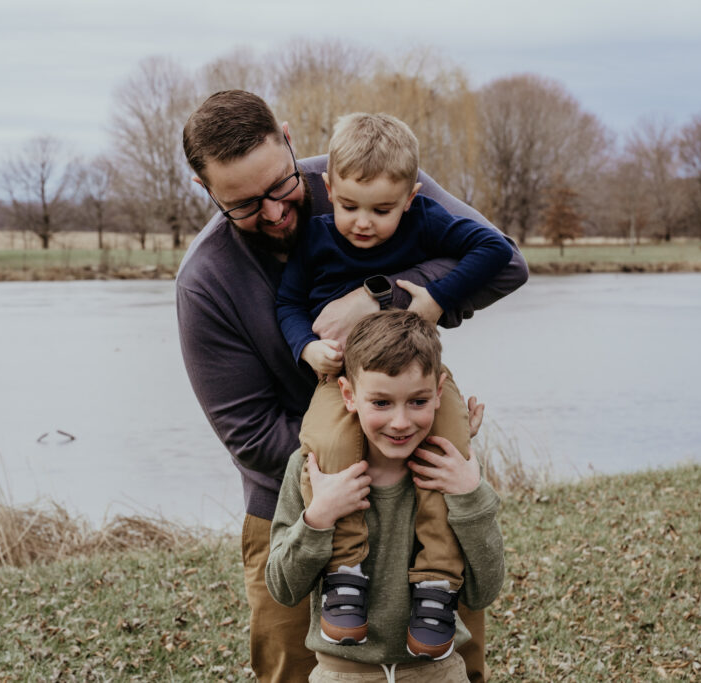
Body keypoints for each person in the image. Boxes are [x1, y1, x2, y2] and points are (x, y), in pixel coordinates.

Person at [178, 89, 528, 682]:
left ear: (289, 141)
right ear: (205, 191)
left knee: (452, 664)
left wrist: (376, 298)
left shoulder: (368, 174)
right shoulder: (205, 284)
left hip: (427, 483)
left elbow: (505, 263)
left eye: (280, 186)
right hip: (304, 501)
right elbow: (254, 438)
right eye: (241, 204)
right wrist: (374, 452)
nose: (272, 213)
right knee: (293, 669)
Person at [275, 112, 512, 658]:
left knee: (449, 445)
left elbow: (496, 251)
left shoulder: (426, 221)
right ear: (328, 190)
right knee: (331, 445)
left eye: (382, 210)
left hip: (418, 370)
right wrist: (306, 348)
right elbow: (288, 303)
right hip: (341, 378)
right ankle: (346, 572)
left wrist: (435, 299)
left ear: (410, 197)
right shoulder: (313, 239)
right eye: (349, 206)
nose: (363, 223)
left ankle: (436, 580)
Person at [265, 310, 504, 682]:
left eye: (418, 401)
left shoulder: (456, 473)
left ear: (439, 393)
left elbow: (482, 592)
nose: (400, 422)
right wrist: (318, 518)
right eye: (381, 403)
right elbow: (283, 588)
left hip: (438, 673)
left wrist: (470, 497)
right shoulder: (312, 470)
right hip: (342, 675)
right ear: (348, 395)